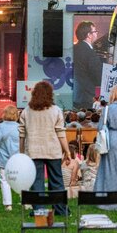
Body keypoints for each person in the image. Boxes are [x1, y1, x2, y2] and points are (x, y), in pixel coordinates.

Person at [19, 81, 69, 215]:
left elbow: (22, 134)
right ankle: (60, 209)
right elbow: (61, 133)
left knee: (36, 182)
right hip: (53, 150)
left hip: (33, 151)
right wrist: (67, 151)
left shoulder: (26, 111)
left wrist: (21, 152)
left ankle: (39, 210)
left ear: (34, 93)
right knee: (57, 181)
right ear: (50, 94)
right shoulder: (56, 110)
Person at [0, 105, 20, 211]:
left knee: (4, 180)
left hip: (3, 158)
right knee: (20, 178)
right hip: (17, 158)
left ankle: (8, 204)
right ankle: (26, 201)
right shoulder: (20, 127)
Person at [72, 21, 102, 108]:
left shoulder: (73, 49)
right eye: (95, 31)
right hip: (87, 97)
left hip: (74, 96)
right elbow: (97, 75)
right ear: (89, 35)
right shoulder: (90, 53)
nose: (96, 34)